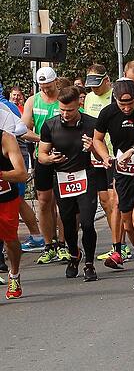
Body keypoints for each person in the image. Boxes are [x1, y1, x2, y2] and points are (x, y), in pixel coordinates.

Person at [93, 79, 134, 289]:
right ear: (115, 101)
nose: (127, 108)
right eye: (123, 105)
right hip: (122, 172)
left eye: (130, 103)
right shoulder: (108, 113)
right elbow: (97, 139)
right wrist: (105, 157)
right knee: (128, 223)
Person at [38, 86, 99, 281]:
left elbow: (102, 153)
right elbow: (41, 156)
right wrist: (50, 159)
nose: (65, 114)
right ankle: (74, 255)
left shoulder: (92, 123)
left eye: (70, 110)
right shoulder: (49, 125)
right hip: (62, 177)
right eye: (62, 110)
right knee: (68, 223)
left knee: (88, 223)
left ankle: (89, 263)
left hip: (86, 175)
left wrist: (93, 149)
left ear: (79, 105)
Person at [22, 67, 68, 264]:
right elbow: (23, 129)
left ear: (56, 82)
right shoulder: (33, 100)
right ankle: (48, 245)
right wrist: (44, 139)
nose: (46, 90)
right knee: (43, 201)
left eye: (49, 86)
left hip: (64, 157)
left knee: (62, 201)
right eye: (42, 86)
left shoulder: (63, 98)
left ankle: (63, 244)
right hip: (42, 156)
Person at [82, 66, 125, 268]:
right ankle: (117, 243)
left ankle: (121, 245)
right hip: (95, 153)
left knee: (115, 200)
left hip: (112, 153)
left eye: (97, 85)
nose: (94, 90)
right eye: (91, 86)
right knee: (105, 201)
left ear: (107, 80)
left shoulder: (114, 96)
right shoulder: (90, 98)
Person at [0, 129, 32, 298]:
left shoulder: (6, 139)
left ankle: (14, 273)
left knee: (10, 241)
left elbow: (22, 174)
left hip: (5, 199)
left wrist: (1, 174)